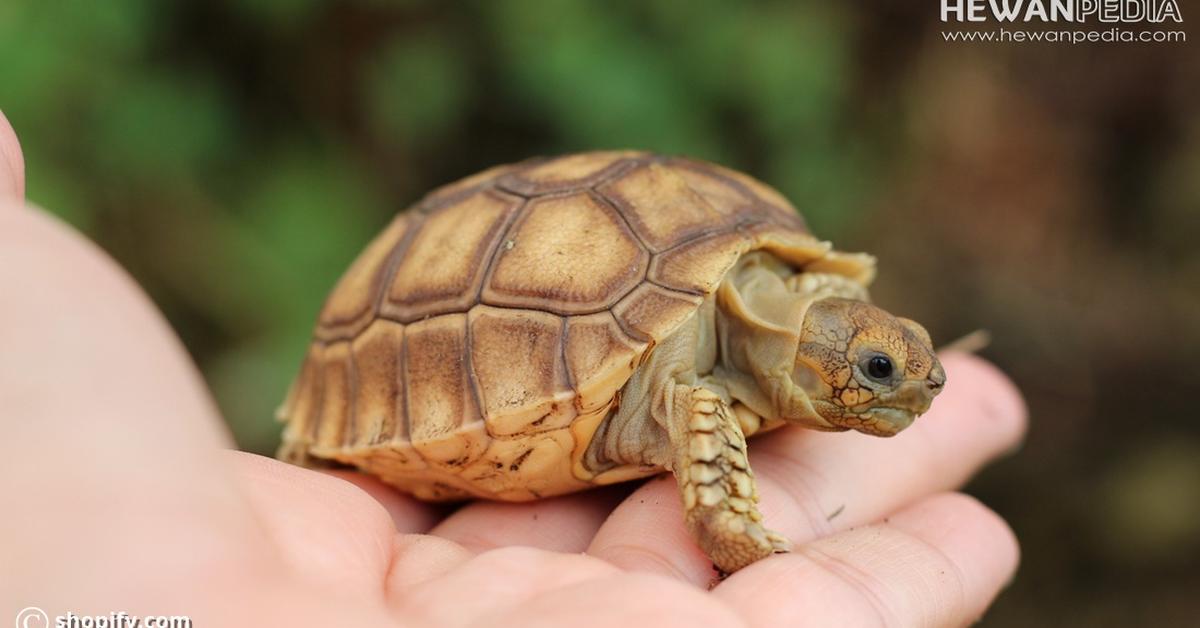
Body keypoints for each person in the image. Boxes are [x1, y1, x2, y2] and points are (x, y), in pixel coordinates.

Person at [0, 111, 1026, 627]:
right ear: (808, 351)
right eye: (882, 368)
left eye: (902, 361)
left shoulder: (772, 288)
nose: (908, 387)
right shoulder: (700, 380)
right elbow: (703, 410)